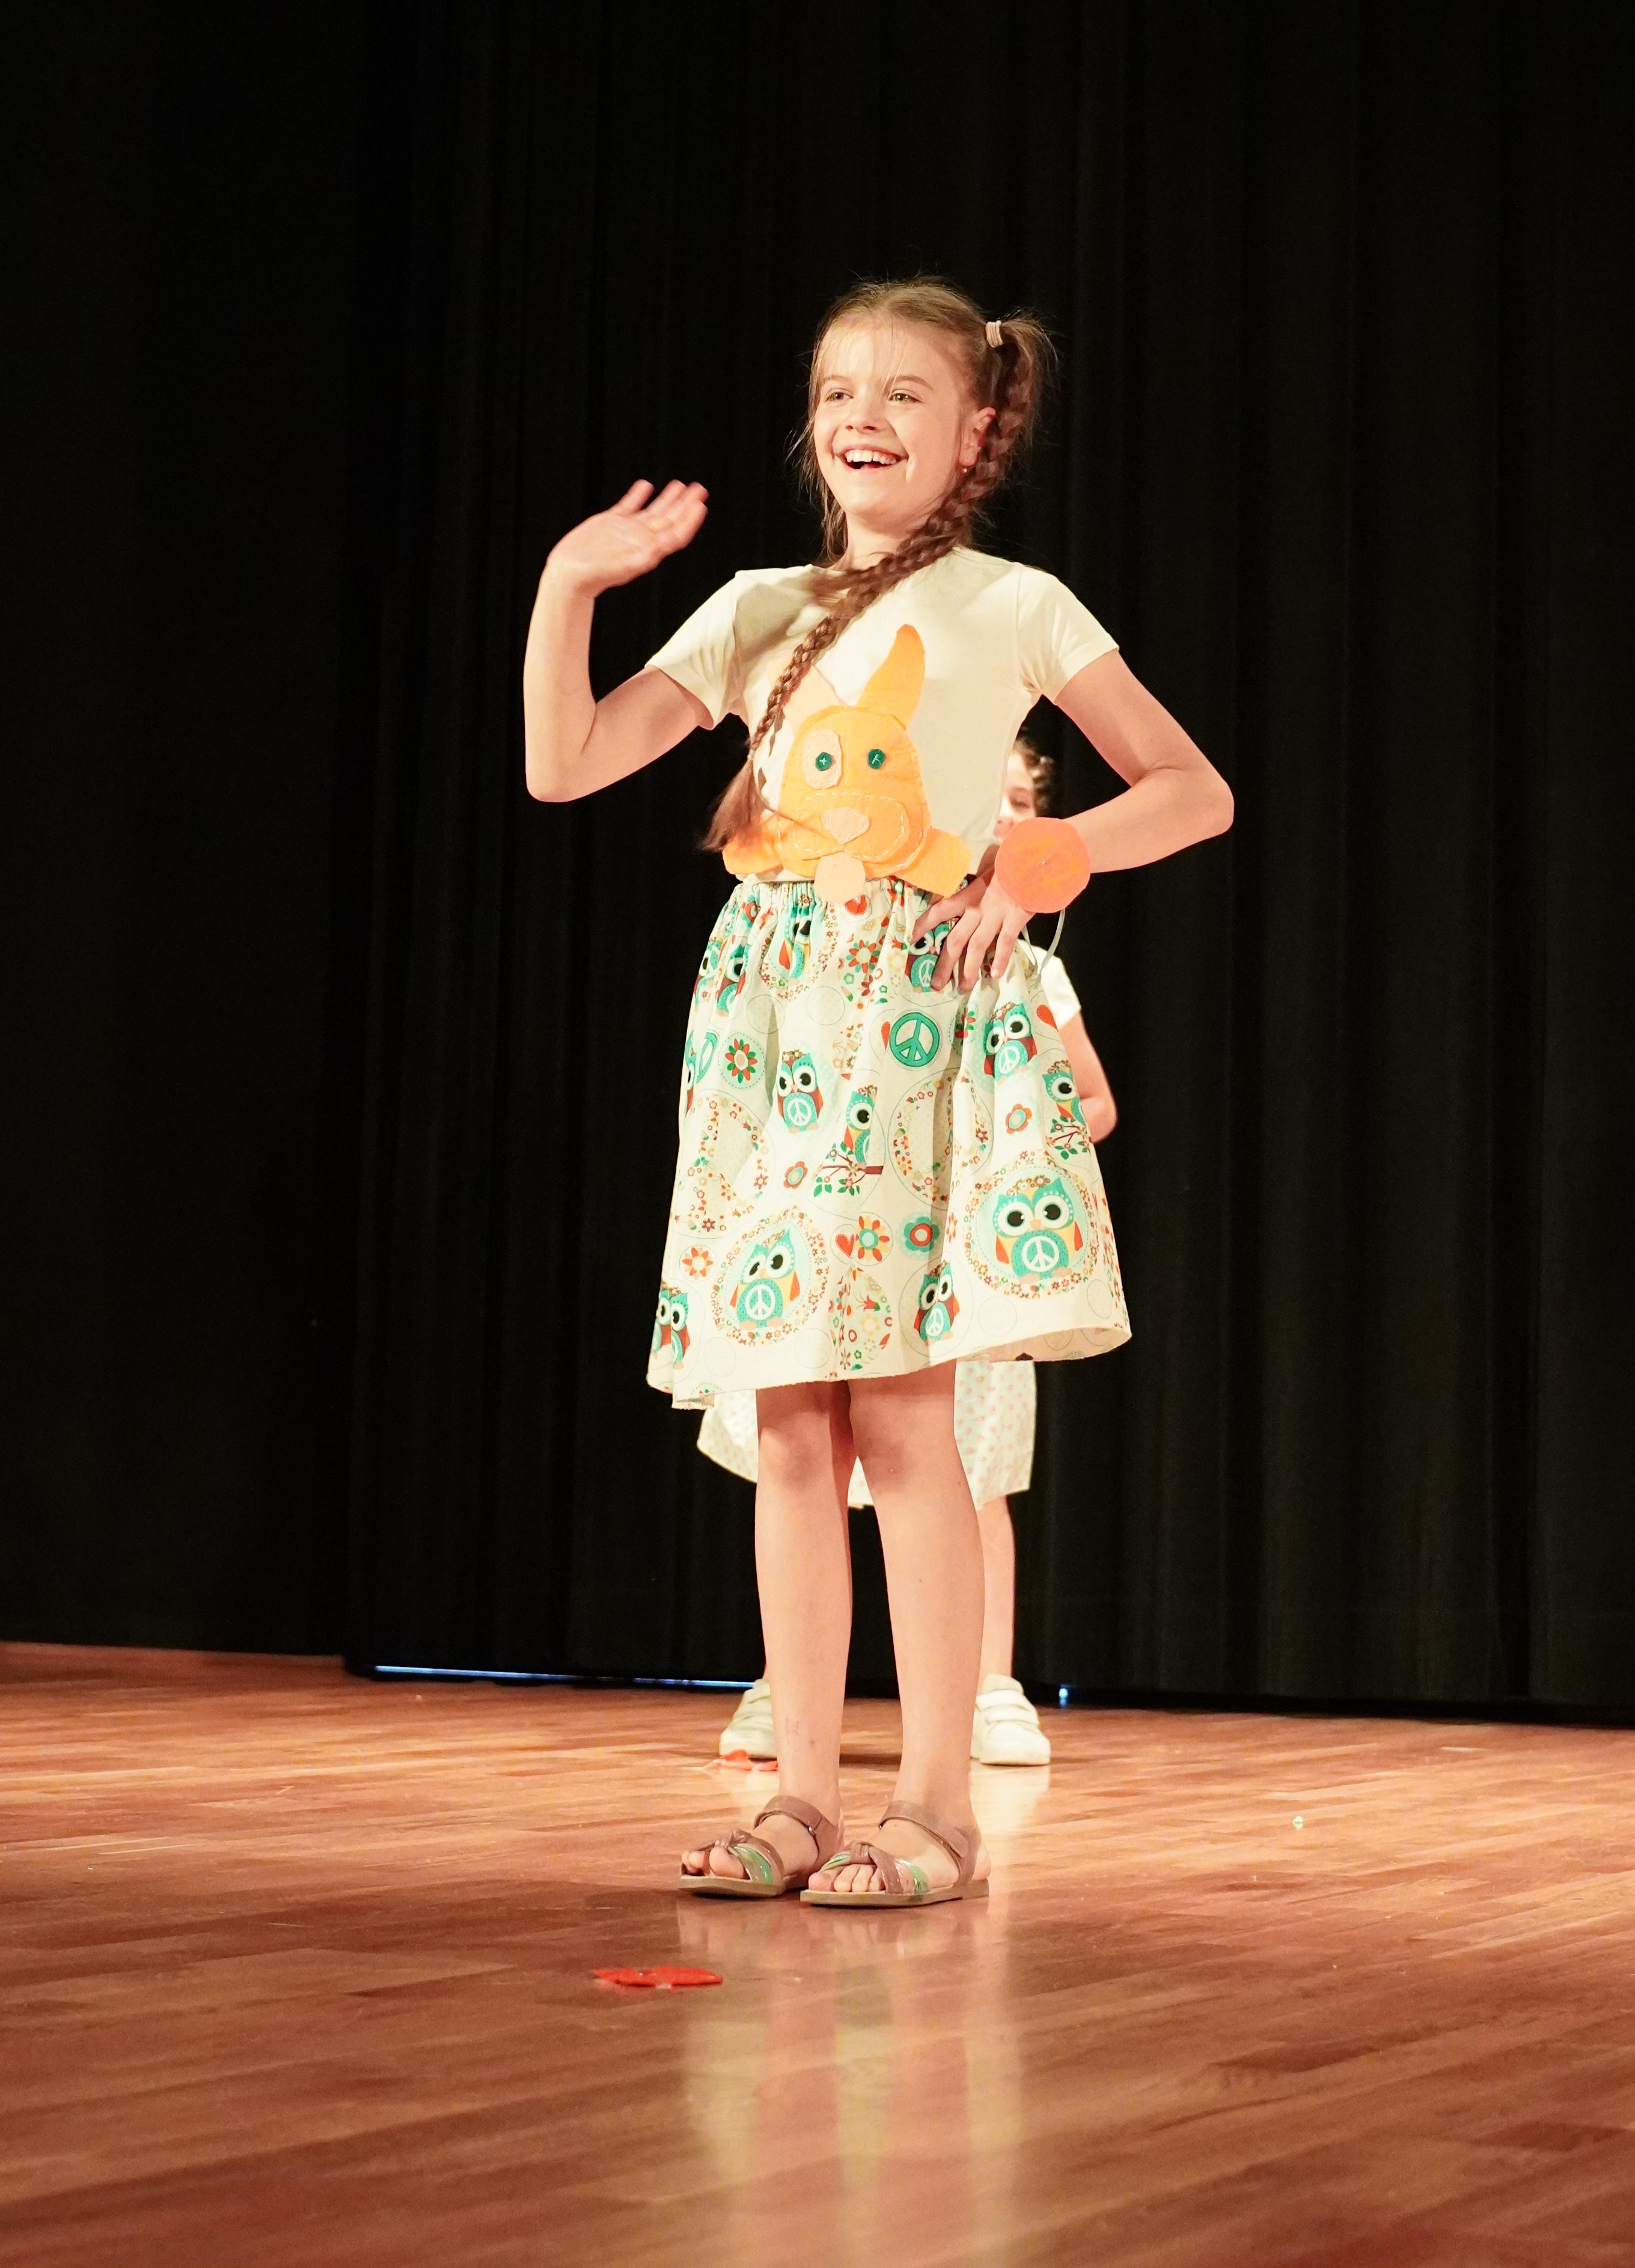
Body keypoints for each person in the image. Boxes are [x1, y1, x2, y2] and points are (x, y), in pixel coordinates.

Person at [521, 278, 1231, 1907]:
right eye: (841, 388)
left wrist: (1035, 857)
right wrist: (570, 586)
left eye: (906, 393)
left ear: (977, 428)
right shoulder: (756, 608)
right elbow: (567, 764)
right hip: (775, 1031)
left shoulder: (1018, 604)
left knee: (908, 1422)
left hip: (915, 1018)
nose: (864, 416)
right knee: (788, 1426)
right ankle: (796, 1799)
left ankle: (935, 1810)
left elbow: (1192, 789)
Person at [702, 738, 1120, 1771]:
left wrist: (1007, 1145)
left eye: (1020, 802)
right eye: (990, 794)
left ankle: (988, 1688)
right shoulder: (810, 926)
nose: (1003, 815)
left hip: (954, 1247)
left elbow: (1092, 1099)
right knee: (804, 1450)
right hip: (839, 1224)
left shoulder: (1034, 966)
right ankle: (785, 1690)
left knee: (962, 1467)